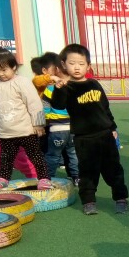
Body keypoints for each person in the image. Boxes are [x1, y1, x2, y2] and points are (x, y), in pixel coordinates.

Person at [49, 44, 129, 215]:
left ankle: (121, 198)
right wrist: (59, 88)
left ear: (88, 65)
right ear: (63, 65)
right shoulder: (66, 87)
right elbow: (58, 105)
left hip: (105, 135)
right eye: (72, 63)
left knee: (113, 169)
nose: (77, 67)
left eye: (81, 63)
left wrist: (113, 127)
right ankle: (89, 201)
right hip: (83, 138)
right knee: (87, 171)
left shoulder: (94, 83)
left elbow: (105, 107)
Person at [0, 48, 51, 190]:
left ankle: (44, 178)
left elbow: (34, 103)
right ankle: (3, 179)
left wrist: (38, 124)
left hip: (26, 130)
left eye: (4, 70)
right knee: (6, 157)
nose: (1, 74)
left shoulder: (22, 82)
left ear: (13, 66)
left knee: (35, 156)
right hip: (5, 132)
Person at [33, 52, 79, 185]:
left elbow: (45, 107)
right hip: (73, 128)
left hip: (57, 129)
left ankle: (48, 178)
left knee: (53, 155)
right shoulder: (75, 86)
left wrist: (45, 121)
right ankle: (76, 177)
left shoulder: (51, 87)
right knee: (73, 154)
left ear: (57, 70)